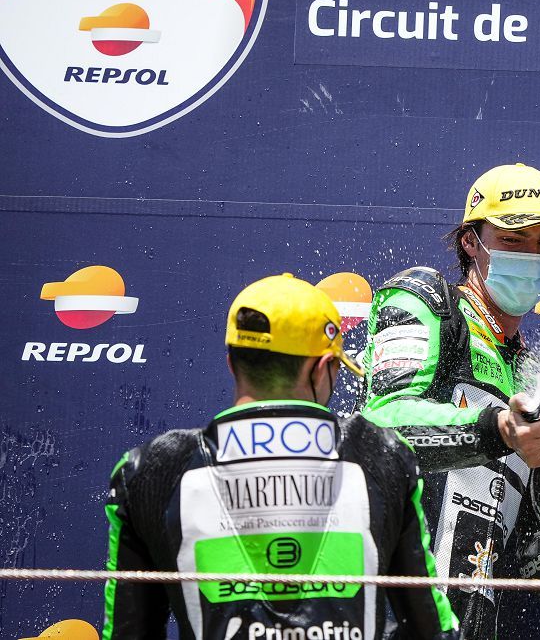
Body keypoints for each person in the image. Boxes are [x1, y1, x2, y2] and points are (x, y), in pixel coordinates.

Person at [101, 273, 459, 640]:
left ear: (232, 363)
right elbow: (432, 630)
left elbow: (129, 633)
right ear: (322, 369)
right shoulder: (382, 455)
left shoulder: (150, 470)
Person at [359, 164, 540, 639]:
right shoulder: (429, 303)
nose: (532, 255)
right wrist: (497, 429)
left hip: (472, 627)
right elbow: (379, 428)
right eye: (514, 239)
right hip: (383, 610)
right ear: (470, 242)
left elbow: (525, 564)